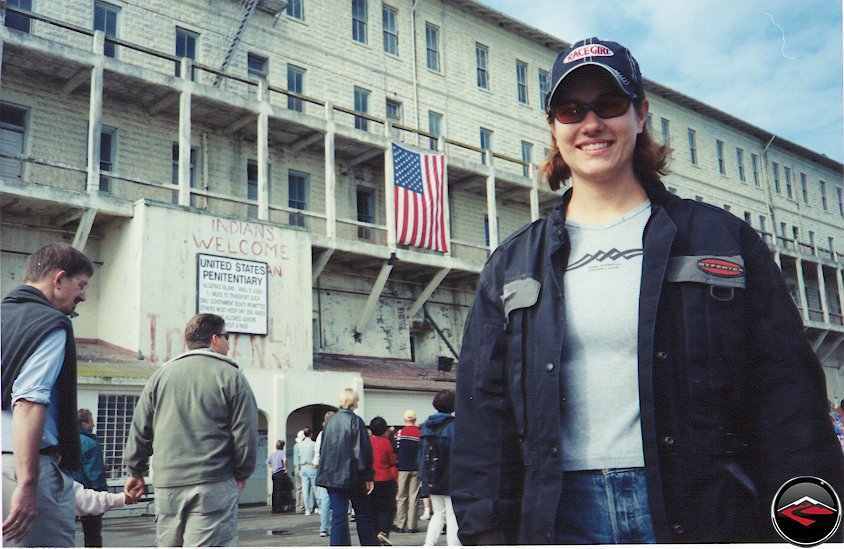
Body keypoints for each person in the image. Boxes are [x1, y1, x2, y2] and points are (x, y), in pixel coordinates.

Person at [450, 37, 844, 545]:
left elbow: (788, 401)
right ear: (553, 128)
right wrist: (486, 537)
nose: (591, 124)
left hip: (703, 511)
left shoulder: (723, 240)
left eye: (609, 104)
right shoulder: (511, 264)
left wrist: (810, 532)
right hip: (560, 517)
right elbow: (484, 420)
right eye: (570, 110)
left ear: (640, 113)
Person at [123, 313, 258, 546]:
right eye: (227, 337)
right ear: (215, 339)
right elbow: (244, 433)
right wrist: (242, 472)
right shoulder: (232, 377)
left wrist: (135, 471)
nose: (229, 342)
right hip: (212, 481)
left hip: (167, 485)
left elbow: (140, 428)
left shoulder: (160, 376)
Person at [1, 242, 94, 546]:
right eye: (80, 285)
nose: (83, 295)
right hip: (24, 466)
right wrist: (28, 485)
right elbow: (28, 401)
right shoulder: (49, 323)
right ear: (59, 279)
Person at [315, 389, 378, 546]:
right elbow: (362, 451)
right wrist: (368, 476)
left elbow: (323, 449)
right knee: (363, 514)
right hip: (352, 476)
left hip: (331, 476)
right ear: (354, 401)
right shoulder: (356, 421)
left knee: (338, 515)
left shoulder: (329, 422)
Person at [419, 390, 460, 547]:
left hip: (431, 477)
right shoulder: (454, 426)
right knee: (452, 516)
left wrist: (424, 477)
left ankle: (429, 544)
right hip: (450, 477)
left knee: (438, 514)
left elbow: (421, 454)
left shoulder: (426, 427)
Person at [70, 408, 110, 547]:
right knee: (92, 536)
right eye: (91, 422)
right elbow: (94, 474)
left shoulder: (65, 439)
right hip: (88, 493)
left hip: (67, 492)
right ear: (84, 424)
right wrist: (102, 495)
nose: (93, 425)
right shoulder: (91, 443)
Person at [369, 416, 398, 546]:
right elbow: (392, 461)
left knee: (374, 508)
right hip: (386, 478)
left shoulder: (368, 442)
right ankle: (384, 531)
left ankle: (375, 532)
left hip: (371, 480)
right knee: (388, 508)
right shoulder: (386, 442)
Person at [392, 409, 421, 534]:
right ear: (415, 419)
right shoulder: (419, 433)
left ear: (405, 419)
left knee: (401, 496)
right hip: (416, 468)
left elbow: (395, 449)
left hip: (402, 468)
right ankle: (412, 525)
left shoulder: (400, 433)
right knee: (413, 497)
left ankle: (400, 524)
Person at [314, 411, 335, 538]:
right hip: (336, 468)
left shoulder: (321, 434)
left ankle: (323, 527)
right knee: (337, 498)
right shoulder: (337, 432)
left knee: (325, 499)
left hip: (324, 468)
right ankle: (333, 526)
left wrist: (316, 463)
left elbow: (317, 451)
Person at [297, 426, 318, 515]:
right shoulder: (314, 444)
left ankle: (307, 509)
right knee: (315, 488)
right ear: (311, 434)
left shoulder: (299, 445)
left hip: (303, 467)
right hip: (311, 466)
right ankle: (319, 507)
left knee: (305, 489)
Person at [268, 440, 289, 513]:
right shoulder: (282, 453)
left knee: (275, 491)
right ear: (282, 446)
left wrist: (273, 467)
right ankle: (280, 507)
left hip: (274, 473)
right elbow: (285, 460)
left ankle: (274, 508)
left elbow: (268, 462)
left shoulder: (273, 454)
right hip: (280, 472)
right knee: (281, 491)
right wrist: (286, 468)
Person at [292, 429, 306, 513]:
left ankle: (297, 507)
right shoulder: (302, 446)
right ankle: (302, 507)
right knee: (304, 488)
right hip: (302, 467)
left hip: (296, 467)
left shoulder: (295, 446)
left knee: (298, 489)